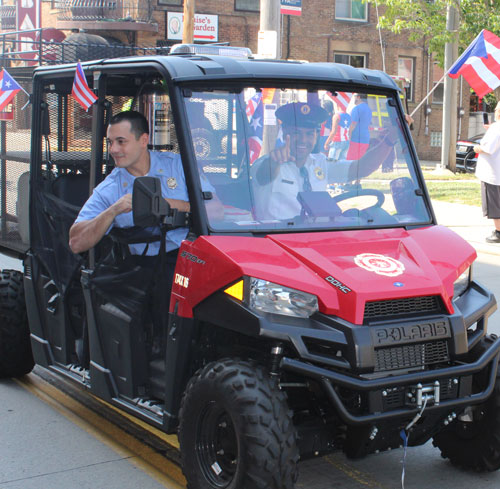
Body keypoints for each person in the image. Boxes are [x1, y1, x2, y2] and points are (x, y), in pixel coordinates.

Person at [69, 111, 221, 272]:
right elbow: (76, 243)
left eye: (121, 142)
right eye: (110, 142)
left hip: (194, 257)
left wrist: (170, 205)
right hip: (147, 270)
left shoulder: (178, 167)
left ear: (143, 140)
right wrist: (113, 211)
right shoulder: (110, 189)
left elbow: (217, 211)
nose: (113, 149)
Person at [251, 102, 397, 220]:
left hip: (317, 239)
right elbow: (264, 175)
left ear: (316, 136)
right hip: (277, 242)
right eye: (296, 133)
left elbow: (361, 168)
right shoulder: (267, 163)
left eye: (309, 134)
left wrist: (390, 140)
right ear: (284, 133)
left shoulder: (320, 163)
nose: (303, 140)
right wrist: (275, 163)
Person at [473, 102, 500, 243]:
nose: (495, 111)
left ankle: (498, 232)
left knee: (494, 204)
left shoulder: (496, 128)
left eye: (496, 109)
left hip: (493, 173)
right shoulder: (495, 128)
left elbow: (488, 148)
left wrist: (477, 148)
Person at [346, 93, 372, 160]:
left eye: (354, 97)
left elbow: (353, 124)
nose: (354, 99)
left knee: (351, 161)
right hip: (366, 138)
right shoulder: (368, 109)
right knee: (361, 161)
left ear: (359, 97)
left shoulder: (357, 108)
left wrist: (349, 135)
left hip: (356, 138)